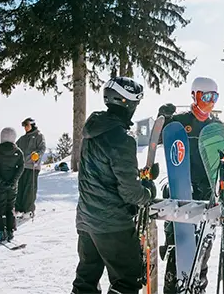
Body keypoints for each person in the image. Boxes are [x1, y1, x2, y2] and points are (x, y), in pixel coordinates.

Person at [72, 76, 156, 294]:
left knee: (86, 279)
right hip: (111, 224)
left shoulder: (93, 130)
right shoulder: (122, 137)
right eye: (136, 104)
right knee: (126, 282)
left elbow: (103, 173)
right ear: (127, 103)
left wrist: (138, 177)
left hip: (86, 220)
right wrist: (147, 192)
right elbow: (129, 192)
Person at [157, 76, 224, 294]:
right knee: (179, 246)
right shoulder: (179, 122)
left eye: (214, 97)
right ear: (195, 96)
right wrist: (162, 120)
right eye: (206, 96)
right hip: (181, 191)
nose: (211, 102)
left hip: (207, 195)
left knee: (202, 249)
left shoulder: (216, 127)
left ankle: (197, 288)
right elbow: (159, 139)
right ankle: (172, 287)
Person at [0, 127, 25, 242]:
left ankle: (0, 230)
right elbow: (21, 167)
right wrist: (13, 181)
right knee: (10, 207)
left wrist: (1, 182)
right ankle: (10, 230)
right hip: (12, 186)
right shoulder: (18, 152)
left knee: (0, 208)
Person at [15, 117, 46, 218]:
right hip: (22, 166)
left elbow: (42, 148)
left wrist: (37, 155)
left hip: (32, 166)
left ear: (32, 125)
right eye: (24, 126)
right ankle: (18, 209)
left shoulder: (38, 136)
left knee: (30, 188)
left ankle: (29, 210)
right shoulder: (22, 139)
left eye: (27, 125)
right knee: (20, 187)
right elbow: (15, 147)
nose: (25, 128)